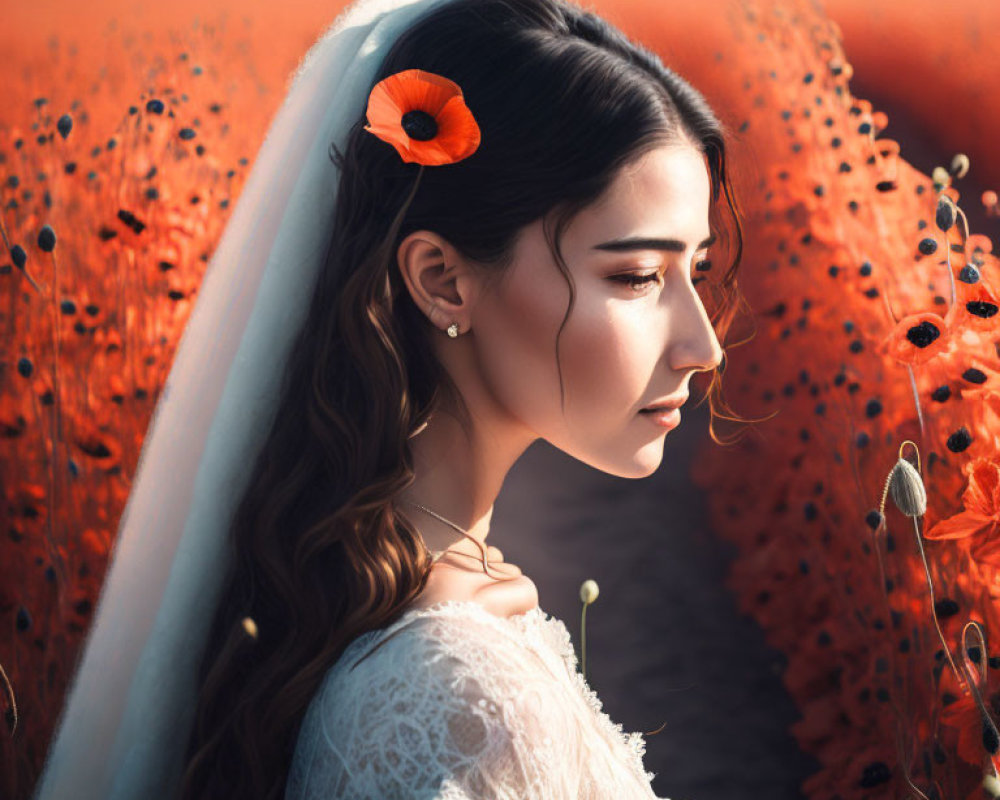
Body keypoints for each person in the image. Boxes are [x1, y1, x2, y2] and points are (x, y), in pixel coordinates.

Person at [31, 0, 744, 797]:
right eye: (638, 277)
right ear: (442, 279)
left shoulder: (380, 602)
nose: (703, 346)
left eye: (698, 273)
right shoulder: (460, 709)